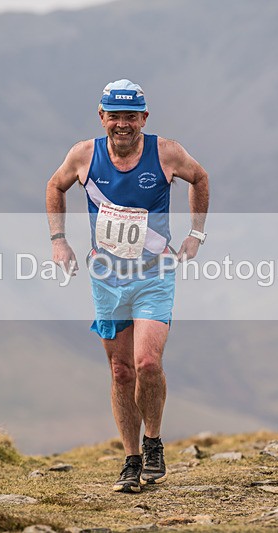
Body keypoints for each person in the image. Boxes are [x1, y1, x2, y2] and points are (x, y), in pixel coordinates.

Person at [45, 79, 209, 493]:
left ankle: (154, 444)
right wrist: (58, 241)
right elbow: (54, 186)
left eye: (130, 117)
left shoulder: (165, 152)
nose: (122, 124)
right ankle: (131, 458)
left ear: (144, 118)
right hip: (107, 278)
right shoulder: (83, 155)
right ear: (102, 117)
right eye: (114, 116)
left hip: (154, 273)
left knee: (147, 364)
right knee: (120, 372)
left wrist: (196, 235)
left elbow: (200, 178)